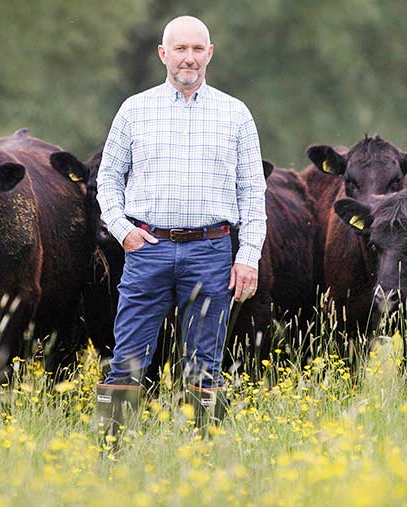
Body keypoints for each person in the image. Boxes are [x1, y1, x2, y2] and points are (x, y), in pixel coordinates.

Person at [94, 15, 266, 435]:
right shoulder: (134, 110)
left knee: (205, 365)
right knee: (128, 359)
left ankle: (202, 458)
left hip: (211, 251)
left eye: (196, 49)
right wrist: (123, 230)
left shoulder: (236, 114)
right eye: (180, 49)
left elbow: (253, 192)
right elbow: (108, 179)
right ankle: (109, 452)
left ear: (209, 53)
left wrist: (248, 258)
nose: (188, 58)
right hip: (147, 248)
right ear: (163, 54)